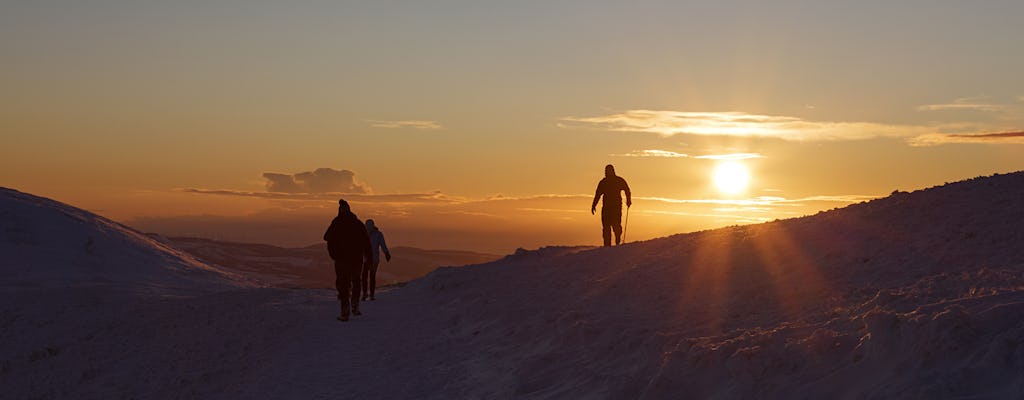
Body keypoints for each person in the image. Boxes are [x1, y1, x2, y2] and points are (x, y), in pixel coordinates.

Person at [323, 199, 373, 322]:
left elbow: (326, 237)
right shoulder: (358, 223)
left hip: (341, 259)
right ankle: (355, 305)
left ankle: (345, 310)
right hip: (356, 259)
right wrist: (369, 258)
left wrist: (333, 253)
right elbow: (366, 242)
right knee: (356, 281)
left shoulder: (336, 223)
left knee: (343, 283)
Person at [591, 164, 632, 246]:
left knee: (616, 226)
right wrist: (594, 205)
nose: (607, 172)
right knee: (606, 228)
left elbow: (627, 190)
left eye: (608, 171)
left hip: (615, 208)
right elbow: (598, 194)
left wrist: (628, 200)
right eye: (606, 171)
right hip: (607, 208)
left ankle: (617, 242)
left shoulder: (616, 181)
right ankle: (607, 245)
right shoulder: (604, 182)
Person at [361, 219, 391, 301]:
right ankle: (367, 294)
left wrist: (387, 253)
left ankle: (369, 294)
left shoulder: (376, 234)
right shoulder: (367, 234)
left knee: (369, 276)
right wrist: (386, 253)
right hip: (367, 259)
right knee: (367, 276)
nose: (368, 228)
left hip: (372, 259)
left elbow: (382, 245)